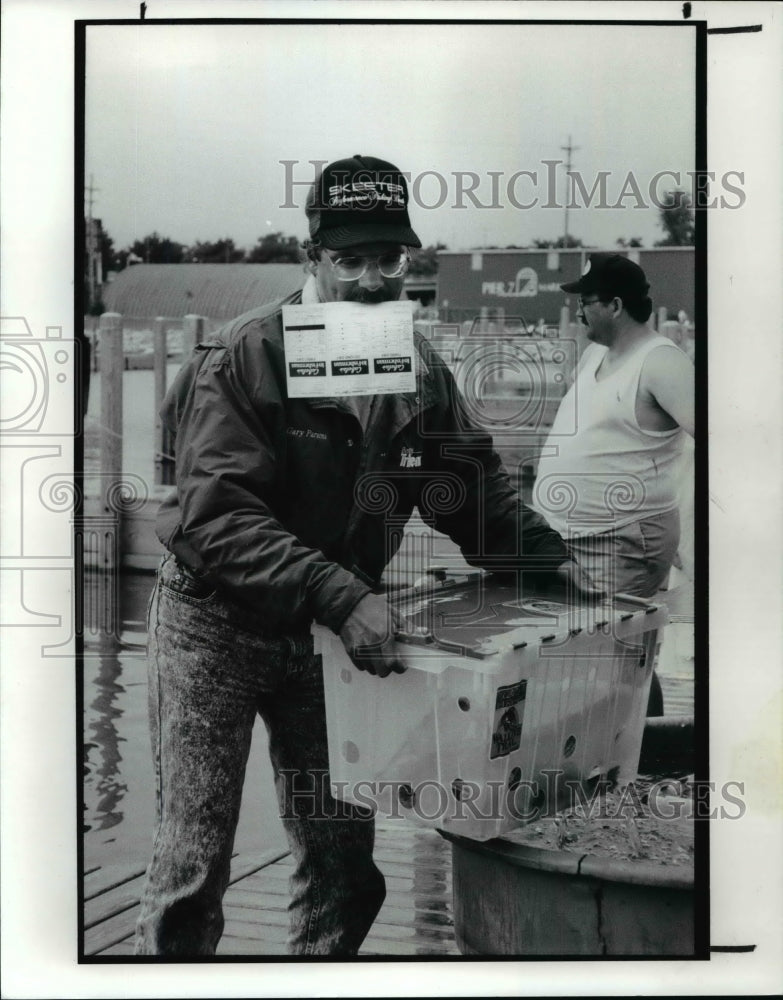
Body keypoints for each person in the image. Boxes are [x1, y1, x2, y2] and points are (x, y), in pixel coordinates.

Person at [134, 154, 597, 957]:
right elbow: (213, 513)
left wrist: (559, 579)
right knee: (191, 866)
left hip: (332, 642)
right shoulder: (248, 355)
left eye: (389, 259)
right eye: (349, 260)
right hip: (215, 626)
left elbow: (471, 491)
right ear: (311, 260)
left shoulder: (415, 367)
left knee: (345, 866)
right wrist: (341, 595)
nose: (374, 280)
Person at [532, 253, 695, 709]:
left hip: (622, 538)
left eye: (586, 301)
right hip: (571, 538)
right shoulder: (593, 356)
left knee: (610, 658)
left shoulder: (661, 362)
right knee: (600, 656)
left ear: (616, 305)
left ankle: (643, 753)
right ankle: (637, 745)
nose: (578, 310)